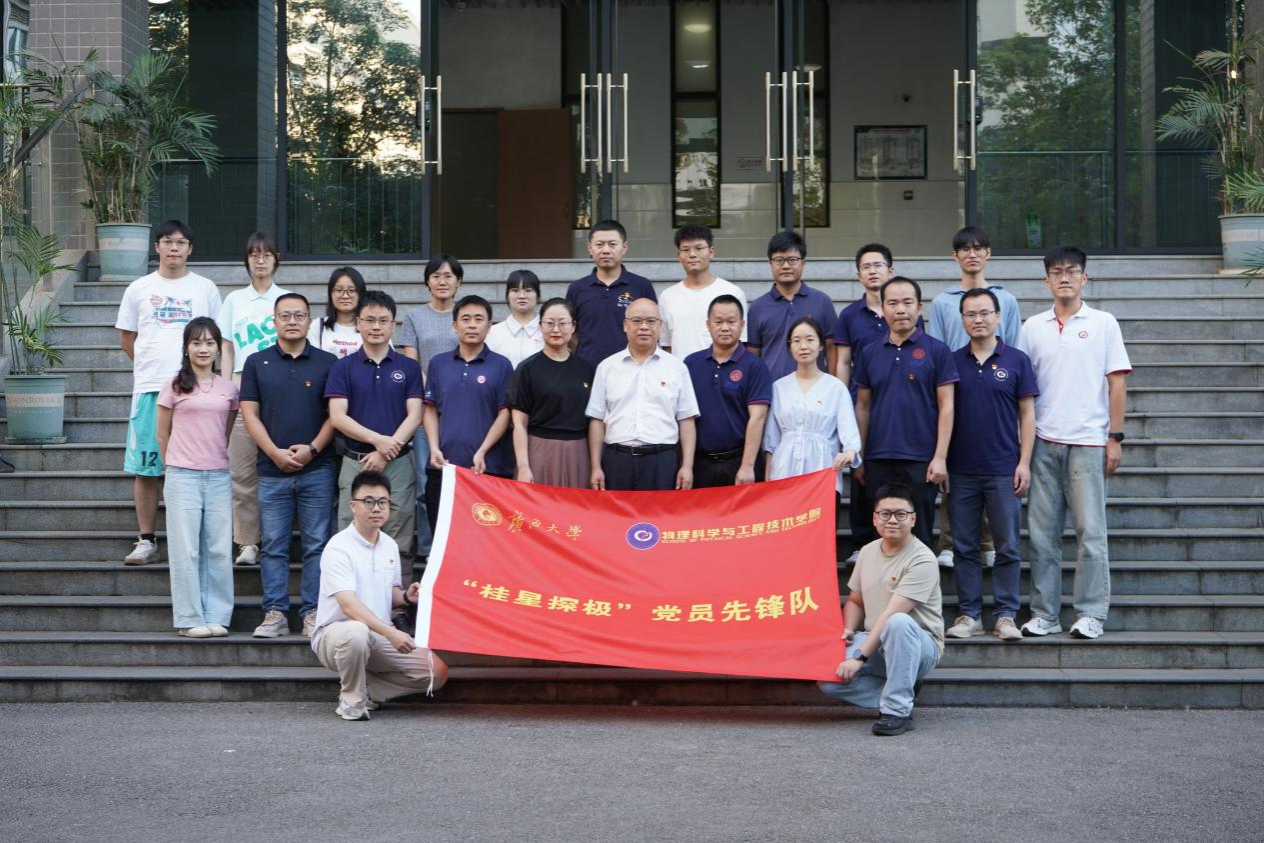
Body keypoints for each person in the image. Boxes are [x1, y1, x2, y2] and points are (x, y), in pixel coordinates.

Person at [1019, 245, 1131, 641]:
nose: (1064, 277)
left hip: (1088, 442)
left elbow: (1117, 383)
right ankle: (1044, 614)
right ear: (1046, 280)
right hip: (1043, 442)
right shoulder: (1032, 327)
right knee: (1042, 537)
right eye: (1056, 271)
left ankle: (1091, 613)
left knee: (1091, 534)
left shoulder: (1103, 323)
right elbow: (1022, 391)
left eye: (1072, 271)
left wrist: (1114, 437)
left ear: (1085, 277)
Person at [116, 220, 221, 565]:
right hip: (151, 388)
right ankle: (146, 540)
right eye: (167, 241)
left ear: (190, 248)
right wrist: (153, 367)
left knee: (199, 465)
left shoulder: (205, 288)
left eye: (181, 242)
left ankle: (196, 539)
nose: (174, 247)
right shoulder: (139, 288)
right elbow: (127, 338)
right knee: (146, 467)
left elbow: (216, 338)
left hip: (197, 390)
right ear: (157, 247)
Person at [310, 469, 448, 721]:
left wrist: (406, 597)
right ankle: (351, 701)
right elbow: (349, 606)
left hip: (378, 635)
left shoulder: (389, 545)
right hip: (337, 634)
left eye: (383, 502)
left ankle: (368, 690)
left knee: (435, 672)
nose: (377, 508)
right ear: (353, 505)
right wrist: (392, 633)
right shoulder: (338, 547)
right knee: (357, 631)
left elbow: (390, 593)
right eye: (369, 501)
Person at [240, 293, 339, 639]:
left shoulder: (329, 362)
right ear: (274, 321)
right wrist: (274, 452)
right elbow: (249, 413)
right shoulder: (257, 362)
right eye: (285, 315)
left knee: (317, 544)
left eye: (299, 315)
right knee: (273, 546)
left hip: (319, 468)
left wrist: (312, 449)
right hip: (271, 471)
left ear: (310, 320)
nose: (292, 321)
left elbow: (335, 415)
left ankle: (312, 611)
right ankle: (275, 613)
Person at [943, 289, 1037, 643]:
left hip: (1003, 468)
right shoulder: (951, 360)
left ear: (998, 316)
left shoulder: (1017, 360)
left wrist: (1024, 461)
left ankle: (1006, 615)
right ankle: (969, 614)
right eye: (970, 314)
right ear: (962, 320)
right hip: (960, 469)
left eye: (984, 312)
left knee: (1007, 546)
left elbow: (1027, 414)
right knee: (964, 546)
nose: (978, 319)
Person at [926, 226, 1022, 567]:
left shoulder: (1006, 300)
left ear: (988, 253)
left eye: (978, 247)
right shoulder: (943, 302)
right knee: (953, 463)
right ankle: (950, 541)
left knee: (991, 465)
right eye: (964, 249)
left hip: (995, 388)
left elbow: (1014, 347)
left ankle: (989, 541)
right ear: (955, 256)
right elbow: (937, 349)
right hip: (954, 388)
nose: (972, 254)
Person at [818, 482, 944, 737]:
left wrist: (858, 658)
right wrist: (848, 628)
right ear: (875, 518)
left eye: (901, 514)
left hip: (918, 644)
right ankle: (903, 688)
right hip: (875, 640)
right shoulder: (867, 552)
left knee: (897, 622)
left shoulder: (922, 559)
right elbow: (856, 600)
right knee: (828, 679)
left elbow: (890, 616)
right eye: (885, 514)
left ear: (913, 519)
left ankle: (897, 711)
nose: (893, 520)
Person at [852, 277, 958, 549]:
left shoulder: (938, 351)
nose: (900, 309)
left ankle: (919, 579)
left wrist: (940, 457)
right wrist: (859, 455)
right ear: (882, 308)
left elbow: (947, 406)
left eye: (907, 302)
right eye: (893, 303)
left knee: (919, 532)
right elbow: (863, 406)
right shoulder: (869, 352)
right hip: (878, 456)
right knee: (880, 534)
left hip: (921, 458)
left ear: (919, 308)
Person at [832, 243, 922, 562]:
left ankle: (911, 544)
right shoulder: (849, 315)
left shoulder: (904, 311)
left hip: (900, 400)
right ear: (859, 274)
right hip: (863, 399)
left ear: (890, 270)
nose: (873, 271)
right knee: (862, 473)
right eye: (866, 266)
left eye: (878, 265)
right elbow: (844, 361)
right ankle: (862, 542)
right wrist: (841, 399)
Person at [325, 290, 424, 566]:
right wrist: (378, 440)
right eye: (369, 320)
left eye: (383, 321)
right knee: (351, 530)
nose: (376, 327)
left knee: (399, 531)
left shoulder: (409, 367)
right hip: (355, 461)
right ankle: (352, 591)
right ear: (358, 323)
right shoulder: (342, 367)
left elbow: (416, 414)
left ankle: (396, 593)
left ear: (393, 325)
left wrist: (385, 451)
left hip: (399, 462)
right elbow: (337, 416)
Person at [155, 317, 238, 639]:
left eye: (209, 343)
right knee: (185, 549)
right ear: (186, 348)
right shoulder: (174, 385)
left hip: (218, 475)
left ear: (218, 348)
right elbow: (162, 434)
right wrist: (174, 466)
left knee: (219, 549)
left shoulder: (228, 389)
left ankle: (217, 615)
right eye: (196, 342)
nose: (203, 349)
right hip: (182, 476)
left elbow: (225, 432)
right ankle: (190, 618)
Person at [216, 232, 290, 568]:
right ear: (246, 260)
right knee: (242, 469)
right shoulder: (234, 300)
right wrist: (226, 387)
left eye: (266, 254)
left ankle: (277, 538)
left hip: (281, 387)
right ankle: (247, 541)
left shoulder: (286, 299)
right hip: (242, 384)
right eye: (254, 255)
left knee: (278, 466)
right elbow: (227, 347)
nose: (260, 260)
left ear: (276, 259)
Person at [586, 298, 699, 492]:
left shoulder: (677, 368)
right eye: (637, 321)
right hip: (617, 460)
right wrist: (596, 467)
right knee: (617, 512)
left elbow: (687, 419)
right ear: (625, 325)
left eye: (651, 321)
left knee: (661, 512)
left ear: (660, 325)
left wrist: (687, 466)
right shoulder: (607, 367)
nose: (644, 327)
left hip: (662, 460)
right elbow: (596, 419)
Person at [422, 295, 514, 533]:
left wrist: (482, 451)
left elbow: (505, 414)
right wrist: (433, 448)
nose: (472, 325)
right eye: (466, 319)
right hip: (443, 467)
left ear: (489, 326)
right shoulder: (438, 363)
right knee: (443, 537)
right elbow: (429, 409)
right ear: (454, 325)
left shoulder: (502, 365)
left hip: (486, 468)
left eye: (478, 319)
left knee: (484, 538)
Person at [397, 254, 463, 559]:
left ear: (459, 281)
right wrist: (435, 393)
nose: (442, 281)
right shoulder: (414, 317)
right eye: (436, 276)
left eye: (448, 276)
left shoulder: (465, 315)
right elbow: (413, 364)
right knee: (427, 482)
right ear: (427, 281)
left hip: (462, 410)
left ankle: (457, 544)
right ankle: (428, 547)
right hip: (427, 409)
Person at [764, 315, 861, 493]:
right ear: (790, 347)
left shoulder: (835, 388)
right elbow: (771, 442)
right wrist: (767, 483)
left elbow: (850, 435)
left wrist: (850, 452)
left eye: (810, 340)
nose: (803, 346)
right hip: (784, 476)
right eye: (796, 341)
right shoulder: (778, 387)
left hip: (822, 476)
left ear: (821, 345)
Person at [684, 295, 771, 487]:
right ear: (708, 325)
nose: (725, 327)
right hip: (700, 463)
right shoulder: (691, 364)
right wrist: (686, 465)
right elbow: (685, 417)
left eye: (731, 321)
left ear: (742, 324)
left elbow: (758, 418)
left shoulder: (755, 366)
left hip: (739, 462)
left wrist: (747, 466)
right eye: (718, 322)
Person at [509, 298, 596, 489]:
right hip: (539, 451)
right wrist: (523, 466)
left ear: (573, 326)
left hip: (578, 452)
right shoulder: (527, 369)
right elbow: (519, 423)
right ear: (540, 326)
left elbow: (594, 422)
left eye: (562, 323)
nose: (556, 329)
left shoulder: (587, 369)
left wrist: (595, 466)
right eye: (549, 323)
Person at [746, 230, 837, 380]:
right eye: (779, 260)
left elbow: (831, 348)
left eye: (792, 259)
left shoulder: (822, 301)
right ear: (770, 264)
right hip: (772, 388)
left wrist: (831, 383)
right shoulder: (758, 307)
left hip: (815, 388)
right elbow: (753, 354)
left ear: (803, 263)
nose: (786, 266)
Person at [566, 219, 657, 367]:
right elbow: (570, 332)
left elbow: (653, 328)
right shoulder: (577, 289)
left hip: (631, 367)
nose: (606, 250)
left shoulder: (641, 286)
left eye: (612, 244)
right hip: (587, 370)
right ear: (590, 248)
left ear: (624, 247)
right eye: (599, 244)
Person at [658, 224, 747, 361]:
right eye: (686, 250)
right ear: (679, 256)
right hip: (680, 371)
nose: (692, 254)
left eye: (699, 248)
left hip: (722, 370)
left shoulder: (733, 293)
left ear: (711, 252)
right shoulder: (667, 297)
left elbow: (741, 342)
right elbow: (667, 346)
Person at [486, 269, 544, 368]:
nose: (522, 296)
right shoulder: (493, 332)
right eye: (515, 290)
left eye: (528, 290)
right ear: (507, 296)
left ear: (537, 295)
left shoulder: (548, 331)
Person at [308, 266, 366, 359]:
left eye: (352, 290)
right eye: (339, 290)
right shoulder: (318, 326)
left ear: (361, 294)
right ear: (330, 294)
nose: (345, 296)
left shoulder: (371, 327)